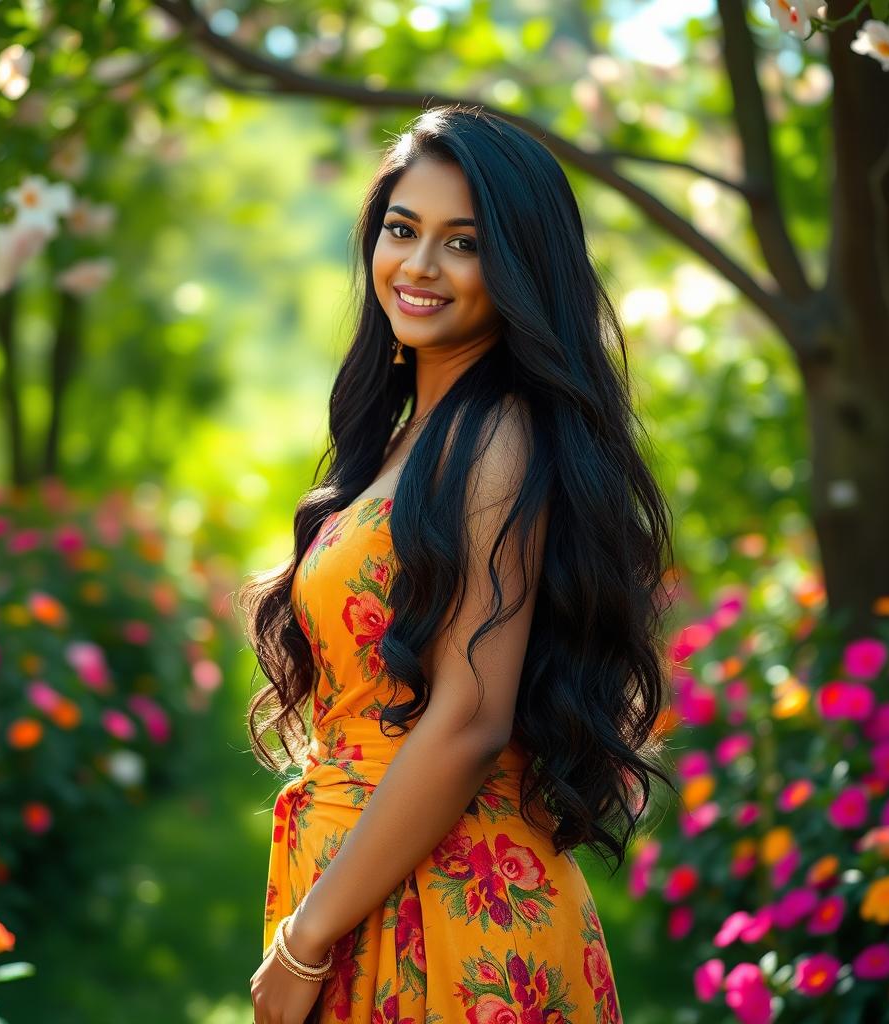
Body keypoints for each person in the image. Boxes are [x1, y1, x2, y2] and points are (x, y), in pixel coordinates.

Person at [240, 102, 676, 1024]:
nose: (420, 266)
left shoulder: (496, 442)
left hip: (451, 916)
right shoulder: (413, 435)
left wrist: (305, 941)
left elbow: (470, 721)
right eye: (403, 230)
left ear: (519, 271)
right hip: (381, 882)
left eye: (464, 243)